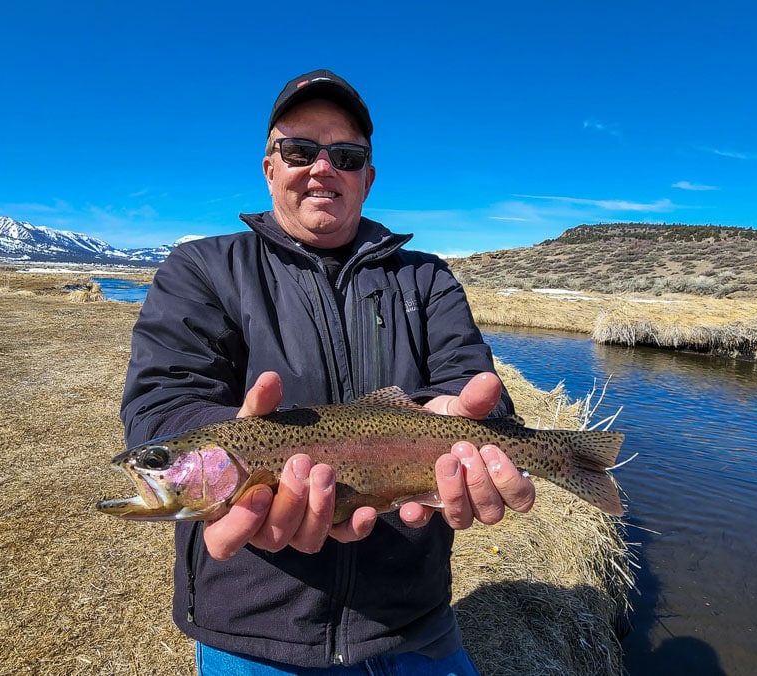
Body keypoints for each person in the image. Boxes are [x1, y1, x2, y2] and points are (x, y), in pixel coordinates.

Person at [120, 69, 536, 674]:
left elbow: (483, 399)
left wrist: (471, 425)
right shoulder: (203, 268)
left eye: (345, 155)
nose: (323, 167)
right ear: (269, 167)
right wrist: (233, 436)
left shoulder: (427, 279)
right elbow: (160, 407)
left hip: (412, 619)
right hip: (253, 625)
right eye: (299, 149)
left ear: (367, 177)